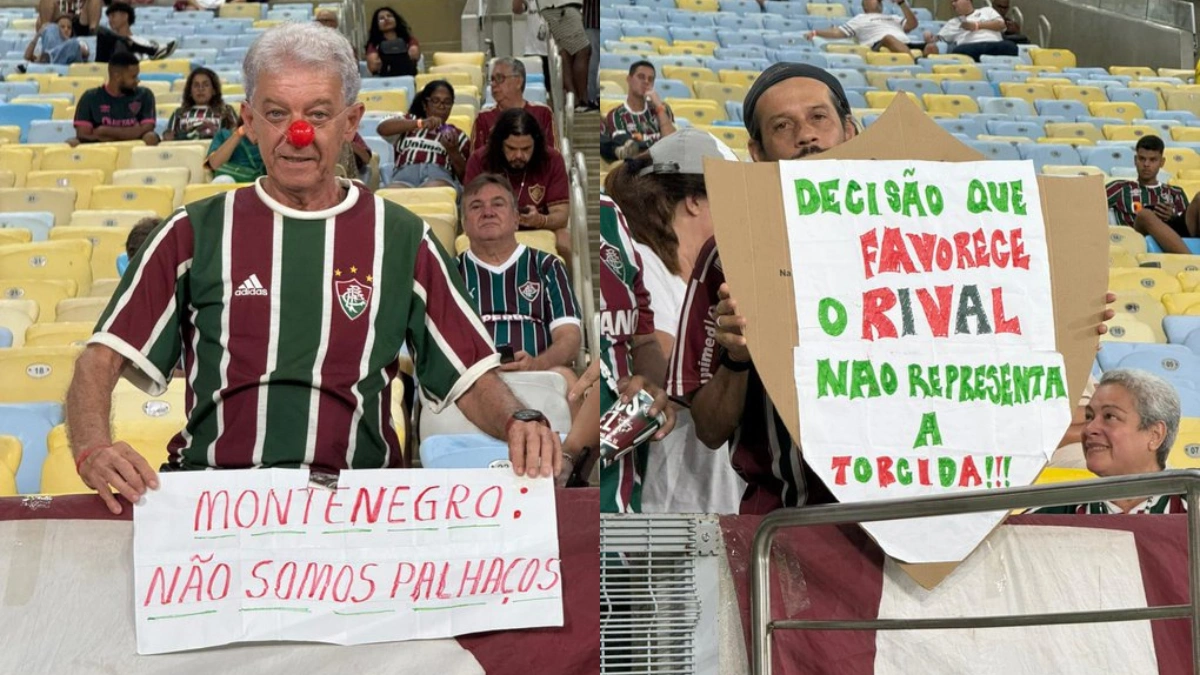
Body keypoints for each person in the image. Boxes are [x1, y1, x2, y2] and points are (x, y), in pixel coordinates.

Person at [67, 22, 563, 517]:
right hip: (214, 509)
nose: (296, 134)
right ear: (249, 120)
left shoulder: (403, 238)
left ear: (351, 123)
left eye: (318, 115)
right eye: (277, 113)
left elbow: (471, 375)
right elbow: (101, 358)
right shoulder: (192, 232)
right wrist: (92, 447)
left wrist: (518, 418)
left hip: (353, 511)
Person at [668, 63, 1116, 514]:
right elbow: (708, 428)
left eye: (818, 118)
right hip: (791, 522)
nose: (806, 136)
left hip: (937, 515)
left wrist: (1066, 322)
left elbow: (995, 381)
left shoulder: (940, 233)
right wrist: (738, 359)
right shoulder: (728, 253)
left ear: (851, 130)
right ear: (757, 153)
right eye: (782, 126)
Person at [604, 128, 745, 514]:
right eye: (733, 196)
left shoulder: (707, 276)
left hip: (717, 496)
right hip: (668, 503)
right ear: (695, 200)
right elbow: (669, 373)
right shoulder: (645, 266)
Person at [457, 173, 582, 378]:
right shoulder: (450, 272)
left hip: (538, 374)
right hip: (471, 383)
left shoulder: (547, 266)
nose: (488, 212)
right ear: (464, 225)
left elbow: (569, 337)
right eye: (476, 206)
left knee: (566, 378)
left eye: (498, 204)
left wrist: (537, 364)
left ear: (516, 219)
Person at [600, 192, 676, 513]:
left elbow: (642, 333)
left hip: (620, 454)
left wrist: (654, 386)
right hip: (571, 447)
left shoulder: (610, 214)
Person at [1033, 369, 1183, 514]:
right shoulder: (1043, 518)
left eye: (1110, 416)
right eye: (1089, 416)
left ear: (1155, 435)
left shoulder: (1192, 508)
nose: (1089, 428)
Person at [465, 108, 571, 259]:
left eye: (526, 149)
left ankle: (565, 283)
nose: (519, 155)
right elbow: (470, 211)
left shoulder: (552, 159)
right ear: (499, 145)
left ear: (537, 144)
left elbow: (561, 215)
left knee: (565, 239)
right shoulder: (479, 160)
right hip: (491, 228)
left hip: (539, 228)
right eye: (511, 148)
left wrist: (540, 220)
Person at [1106, 134, 1199, 255]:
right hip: (1138, 235)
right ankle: (1194, 261)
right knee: (1145, 214)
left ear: (1162, 162)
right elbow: (1088, 202)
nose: (1146, 164)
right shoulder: (1120, 188)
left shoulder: (1176, 192)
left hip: (1175, 232)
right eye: (1142, 159)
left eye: (1153, 160)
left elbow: (1186, 224)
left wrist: (1173, 216)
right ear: (1135, 160)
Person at [377, 79, 469, 194]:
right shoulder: (409, 122)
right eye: (436, 101)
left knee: (434, 190)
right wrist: (420, 123)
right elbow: (382, 129)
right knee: (392, 194)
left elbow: (466, 176)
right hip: (404, 175)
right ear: (425, 105)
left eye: (447, 102)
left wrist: (453, 151)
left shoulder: (458, 134)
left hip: (439, 175)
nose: (441, 106)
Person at [470, 57, 557, 155]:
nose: (493, 84)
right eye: (492, 79)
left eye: (499, 78)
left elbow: (552, 158)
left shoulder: (542, 113)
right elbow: (476, 163)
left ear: (518, 82)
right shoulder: (483, 118)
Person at [71, 51, 159, 147]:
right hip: (101, 149)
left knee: (151, 137)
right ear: (117, 76)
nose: (138, 81)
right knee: (72, 143)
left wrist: (104, 130)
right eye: (133, 77)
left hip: (134, 148)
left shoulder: (145, 95)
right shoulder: (90, 97)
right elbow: (83, 135)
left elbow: (147, 129)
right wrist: (132, 132)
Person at [600, 60, 675, 162]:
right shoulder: (616, 115)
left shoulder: (662, 109)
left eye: (650, 79)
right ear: (629, 79)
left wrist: (659, 106)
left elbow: (671, 141)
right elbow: (629, 147)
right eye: (641, 77)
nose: (646, 82)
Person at [534, 0, 594, 111]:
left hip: (554, 8)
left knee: (565, 52)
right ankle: (581, 100)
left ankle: (574, 100)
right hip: (562, 8)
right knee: (583, 49)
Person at [806, 0, 918, 54]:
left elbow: (913, 25)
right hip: (880, 45)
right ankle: (914, 61)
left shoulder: (893, 17)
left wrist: (902, 3)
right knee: (888, 38)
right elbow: (838, 33)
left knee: (931, 47)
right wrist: (816, 32)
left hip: (906, 43)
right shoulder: (860, 18)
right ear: (865, 6)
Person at [922, 0, 1018, 61]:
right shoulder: (953, 22)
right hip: (969, 48)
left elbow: (1001, 25)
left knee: (1011, 46)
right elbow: (938, 40)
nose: (953, 4)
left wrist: (976, 25)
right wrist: (929, 38)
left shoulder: (987, 11)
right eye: (952, 2)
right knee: (959, 50)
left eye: (956, 0)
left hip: (994, 45)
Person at [162, 67, 239, 142]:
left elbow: (237, 137)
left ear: (214, 90)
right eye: (196, 85)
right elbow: (169, 140)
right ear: (190, 92)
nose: (200, 89)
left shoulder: (226, 111)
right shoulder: (179, 113)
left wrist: (216, 133)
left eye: (205, 85)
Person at [94, 2, 175, 64]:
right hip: (106, 70)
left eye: (113, 16)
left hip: (125, 69)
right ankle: (152, 51)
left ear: (125, 16)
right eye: (108, 18)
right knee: (101, 32)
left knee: (118, 42)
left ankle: (151, 50)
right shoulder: (107, 40)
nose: (110, 20)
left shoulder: (141, 41)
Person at [364, 6, 420, 78]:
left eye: (389, 16)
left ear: (396, 19)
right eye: (381, 18)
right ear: (377, 24)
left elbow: (415, 56)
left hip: (409, 77)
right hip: (384, 81)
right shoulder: (374, 44)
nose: (386, 19)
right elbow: (374, 67)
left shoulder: (409, 40)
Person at [23, 13, 89, 66]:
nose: (66, 29)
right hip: (51, 69)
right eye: (62, 27)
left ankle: (50, 58)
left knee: (74, 44)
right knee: (50, 27)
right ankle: (51, 59)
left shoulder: (77, 41)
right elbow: (27, 57)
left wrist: (65, 39)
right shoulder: (48, 42)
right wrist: (37, 36)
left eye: (69, 28)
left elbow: (85, 52)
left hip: (70, 68)